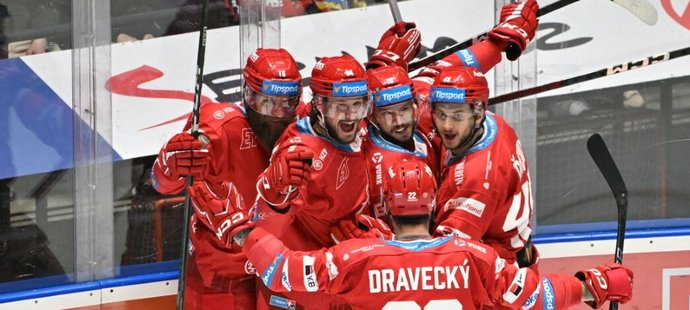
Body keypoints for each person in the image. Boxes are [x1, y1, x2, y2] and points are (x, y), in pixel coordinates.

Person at [189, 160, 635, 309]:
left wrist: (241, 227)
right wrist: (592, 283)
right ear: (433, 205)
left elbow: (281, 272)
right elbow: (541, 298)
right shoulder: (472, 257)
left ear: (385, 207)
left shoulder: (356, 256)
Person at [150, 48, 302, 309]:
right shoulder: (219, 128)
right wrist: (169, 164)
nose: (277, 115)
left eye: (286, 103)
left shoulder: (304, 126)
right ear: (248, 95)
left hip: (282, 276)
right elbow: (163, 184)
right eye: (267, 102)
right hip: (223, 284)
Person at [252, 54, 372, 308]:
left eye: (358, 104)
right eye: (341, 106)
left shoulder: (346, 129)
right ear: (320, 105)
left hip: (338, 283)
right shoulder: (300, 155)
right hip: (299, 293)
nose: (351, 115)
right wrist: (273, 199)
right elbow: (263, 236)